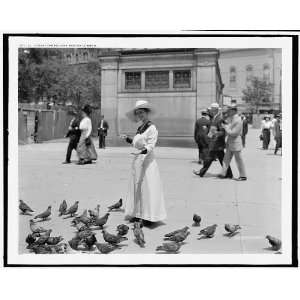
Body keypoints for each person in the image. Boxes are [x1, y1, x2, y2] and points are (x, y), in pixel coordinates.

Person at [120, 100, 166, 225]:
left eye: (142, 112)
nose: (140, 115)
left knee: (147, 187)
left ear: (147, 113)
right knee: (137, 187)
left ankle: (148, 216)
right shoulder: (140, 128)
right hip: (138, 160)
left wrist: (143, 152)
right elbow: (137, 143)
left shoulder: (152, 128)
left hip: (147, 161)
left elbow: (151, 145)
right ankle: (137, 213)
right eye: (138, 113)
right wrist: (128, 139)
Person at [193, 103, 233, 178]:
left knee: (214, 158)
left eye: (211, 109)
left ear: (215, 110)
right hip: (214, 142)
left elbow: (223, 131)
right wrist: (209, 135)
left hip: (217, 143)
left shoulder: (219, 118)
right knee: (214, 158)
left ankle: (202, 172)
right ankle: (228, 174)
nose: (210, 111)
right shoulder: (215, 117)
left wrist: (216, 133)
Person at [219, 105, 247, 181]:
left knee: (238, 160)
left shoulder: (238, 120)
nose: (228, 112)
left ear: (234, 111)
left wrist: (225, 127)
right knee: (226, 159)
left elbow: (233, 133)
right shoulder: (232, 119)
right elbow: (228, 125)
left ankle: (243, 176)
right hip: (230, 142)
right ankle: (223, 173)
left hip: (235, 143)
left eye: (229, 111)